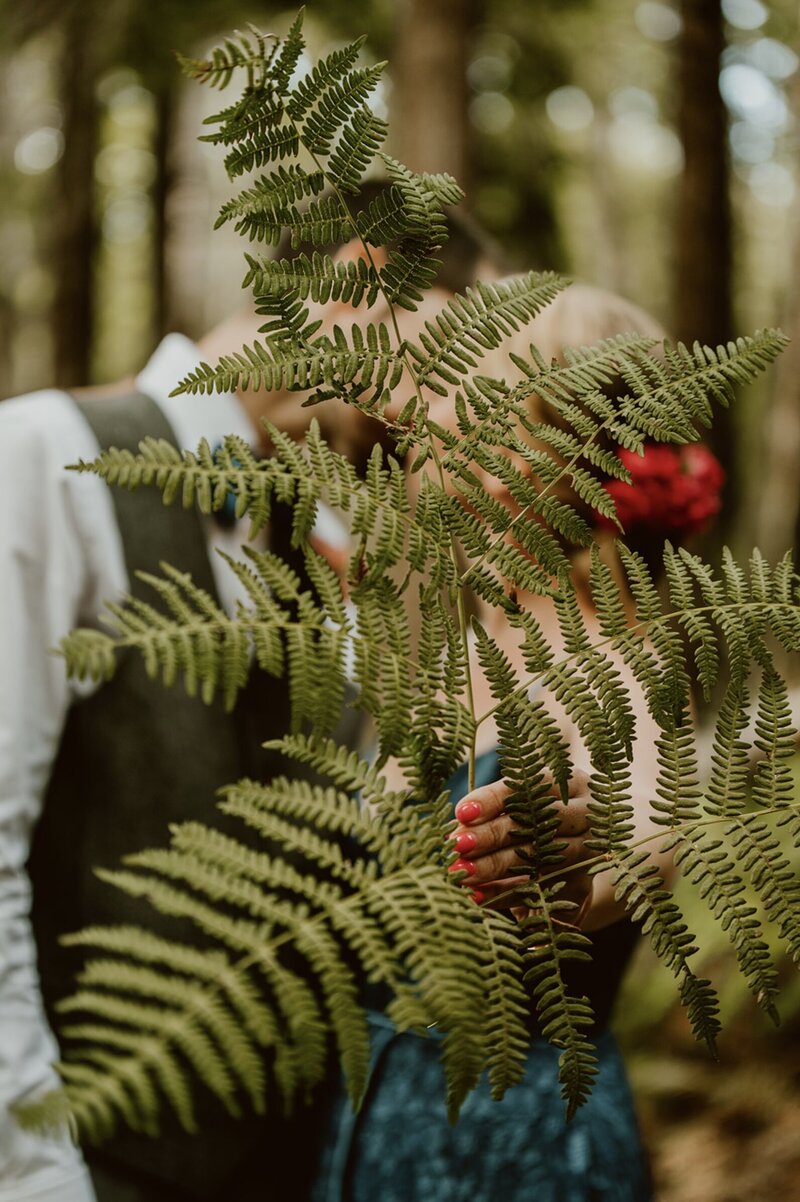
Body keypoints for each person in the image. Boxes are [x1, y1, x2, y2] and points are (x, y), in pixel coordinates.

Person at [0, 205, 500, 1202]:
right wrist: (37, 1173)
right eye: (450, 351)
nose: (452, 407)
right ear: (358, 281)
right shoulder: (42, 457)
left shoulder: (329, 539)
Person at [311, 282, 725, 1201]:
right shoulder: (461, 632)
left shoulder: (619, 660)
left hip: (513, 1148)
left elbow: (637, 842)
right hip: (377, 1120)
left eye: (475, 387)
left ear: (544, 448)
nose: (436, 413)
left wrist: (575, 869)